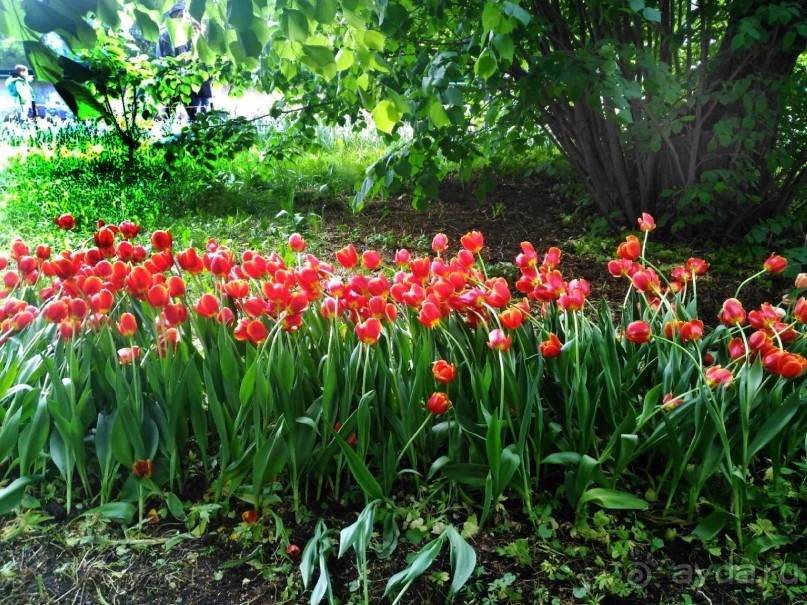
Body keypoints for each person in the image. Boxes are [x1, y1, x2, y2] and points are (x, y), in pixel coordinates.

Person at [156, 2, 213, 121]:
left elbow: (193, 56)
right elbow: (168, 59)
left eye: (182, 15)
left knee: (190, 113)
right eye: (177, 15)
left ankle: (194, 131)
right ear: (172, 16)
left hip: (186, 80)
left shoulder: (186, 33)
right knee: (171, 110)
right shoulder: (167, 34)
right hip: (173, 79)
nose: (180, 17)